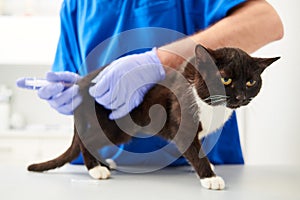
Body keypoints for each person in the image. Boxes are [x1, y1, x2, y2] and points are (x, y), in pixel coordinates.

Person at [17, 0, 283, 167]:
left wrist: (159, 61)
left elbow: (267, 22)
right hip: (102, 170)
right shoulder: (77, 4)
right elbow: (71, 71)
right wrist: (69, 94)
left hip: (198, 167)